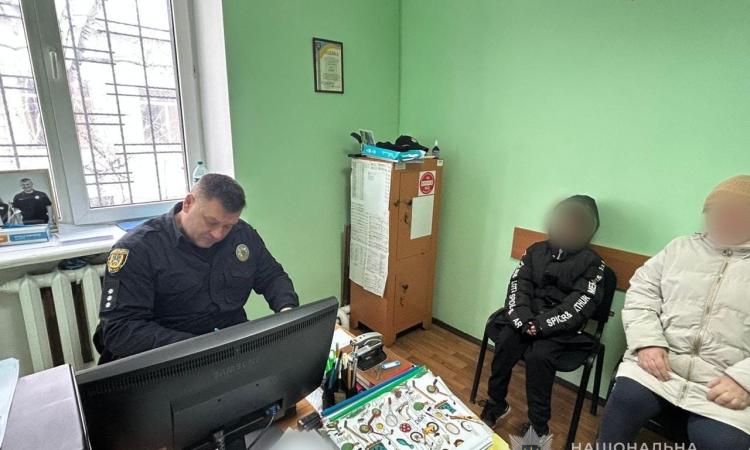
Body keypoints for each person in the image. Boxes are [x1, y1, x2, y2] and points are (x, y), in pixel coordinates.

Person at [598, 175, 750, 449]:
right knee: (625, 402)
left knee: (724, 441)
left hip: (724, 385)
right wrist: (648, 342)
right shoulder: (680, 248)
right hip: (660, 366)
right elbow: (641, 292)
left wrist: (743, 380)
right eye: (716, 213)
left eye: (736, 214)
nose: (723, 221)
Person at [93, 173, 299, 363]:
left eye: (227, 226)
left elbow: (272, 276)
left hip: (230, 349)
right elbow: (120, 329)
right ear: (188, 203)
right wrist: (198, 347)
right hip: (167, 358)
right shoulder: (138, 248)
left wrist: (287, 310)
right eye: (211, 222)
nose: (218, 234)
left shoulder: (242, 235)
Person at [480, 195, 606, 438]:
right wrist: (523, 320)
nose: (568, 227)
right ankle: (496, 403)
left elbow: (580, 303)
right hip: (525, 319)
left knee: (540, 356)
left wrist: (541, 325)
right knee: (506, 340)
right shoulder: (535, 251)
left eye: (576, 224)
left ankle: (538, 427)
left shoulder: (593, 264)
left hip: (560, 329)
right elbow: (518, 286)